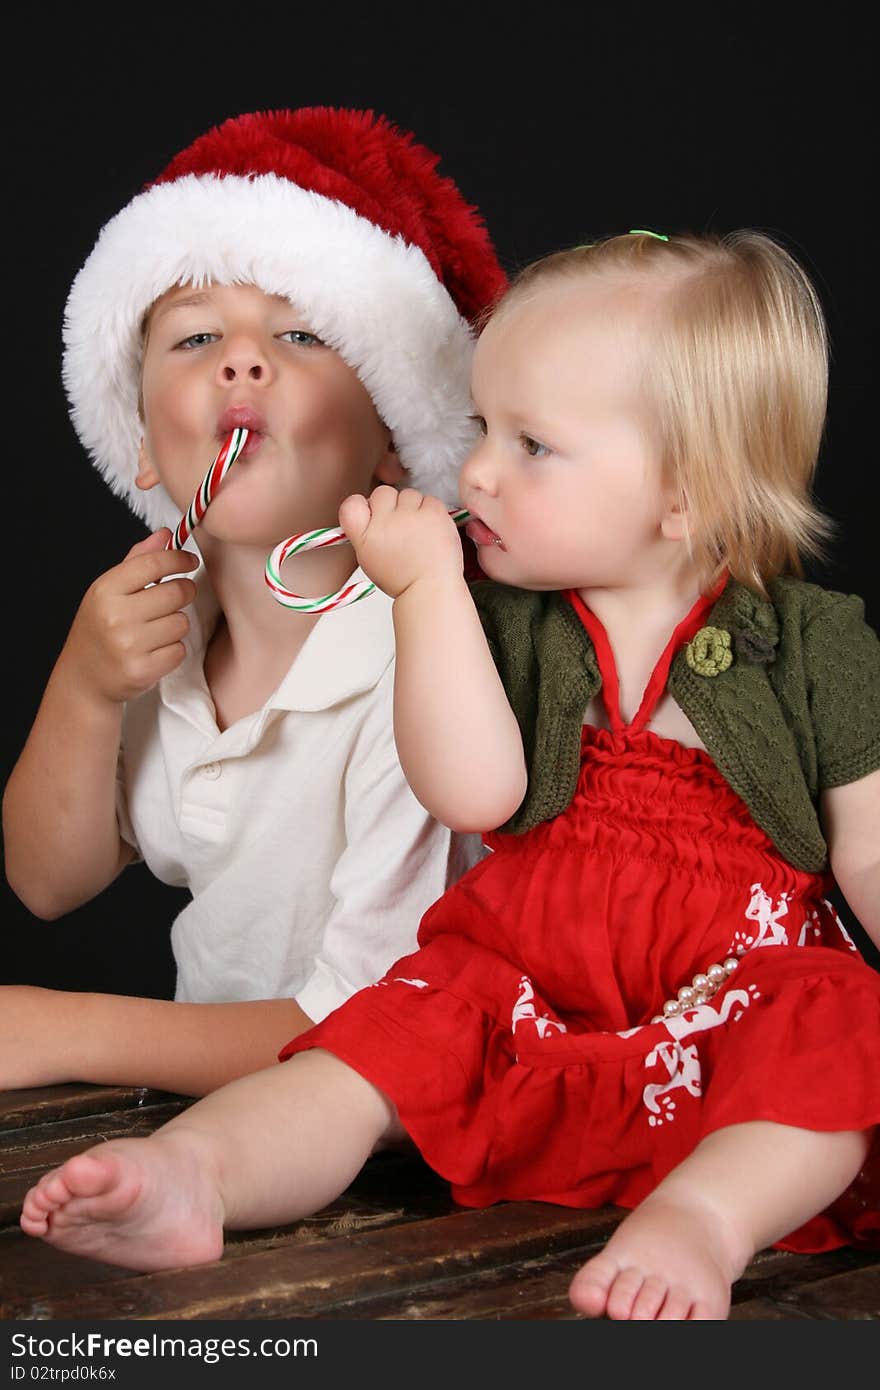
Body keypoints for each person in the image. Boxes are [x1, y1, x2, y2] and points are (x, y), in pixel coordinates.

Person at [19, 230, 879, 1321]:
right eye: (480, 428)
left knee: (831, 1041)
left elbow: (867, 843)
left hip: (731, 983)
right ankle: (200, 1172)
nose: (473, 469)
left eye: (531, 444)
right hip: (522, 980)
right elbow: (473, 794)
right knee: (370, 1047)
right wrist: (426, 593)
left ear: (685, 492)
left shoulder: (810, 643)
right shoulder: (501, 619)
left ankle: (702, 1221)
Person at [2, 106, 506, 1096]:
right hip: (233, 1127)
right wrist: (84, 687)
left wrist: (58, 1030)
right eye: (193, 339)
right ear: (141, 438)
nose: (240, 359)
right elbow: (46, 880)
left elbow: (377, 1025)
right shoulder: (157, 630)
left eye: (300, 332)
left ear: (394, 435)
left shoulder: (424, 653)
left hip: (403, 1125)